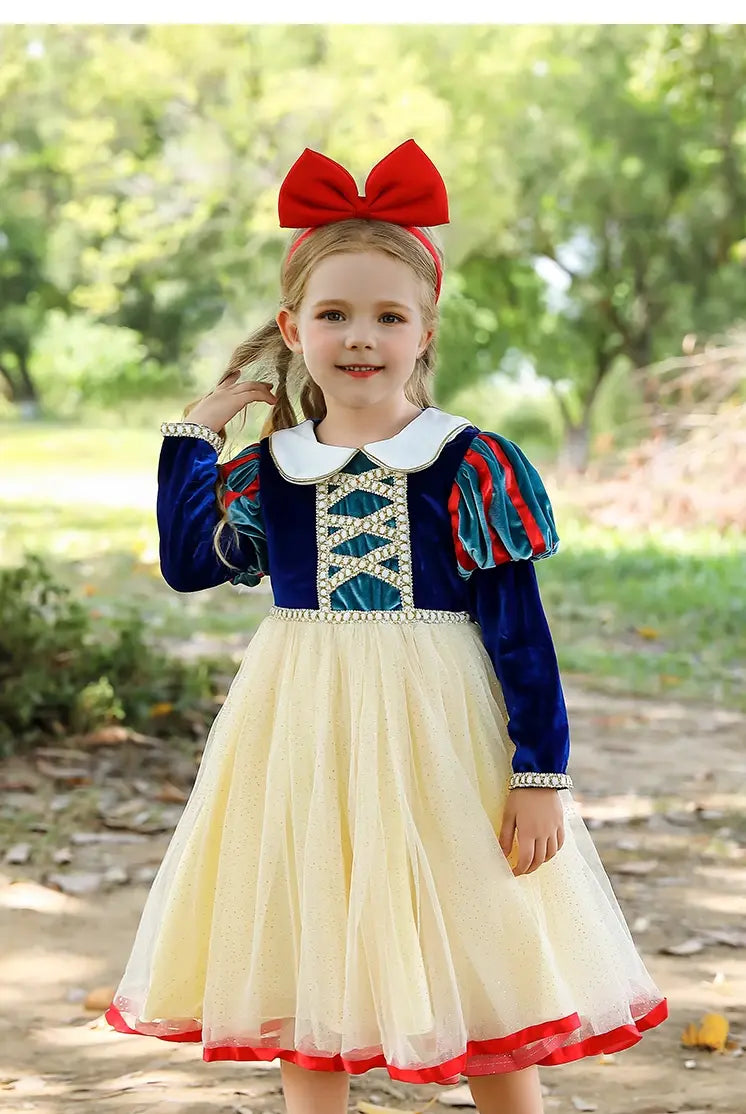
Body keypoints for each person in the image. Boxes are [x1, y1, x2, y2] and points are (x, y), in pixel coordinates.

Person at [105, 140, 668, 1114]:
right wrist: (194, 436)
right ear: (293, 326)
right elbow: (190, 564)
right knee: (308, 922)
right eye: (333, 314)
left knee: (476, 926)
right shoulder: (269, 470)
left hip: (439, 727)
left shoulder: (468, 461)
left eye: (385, 316)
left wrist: (539, 773)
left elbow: (519, 633)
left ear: (423, 329)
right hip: (300, 727)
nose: (358, 336)